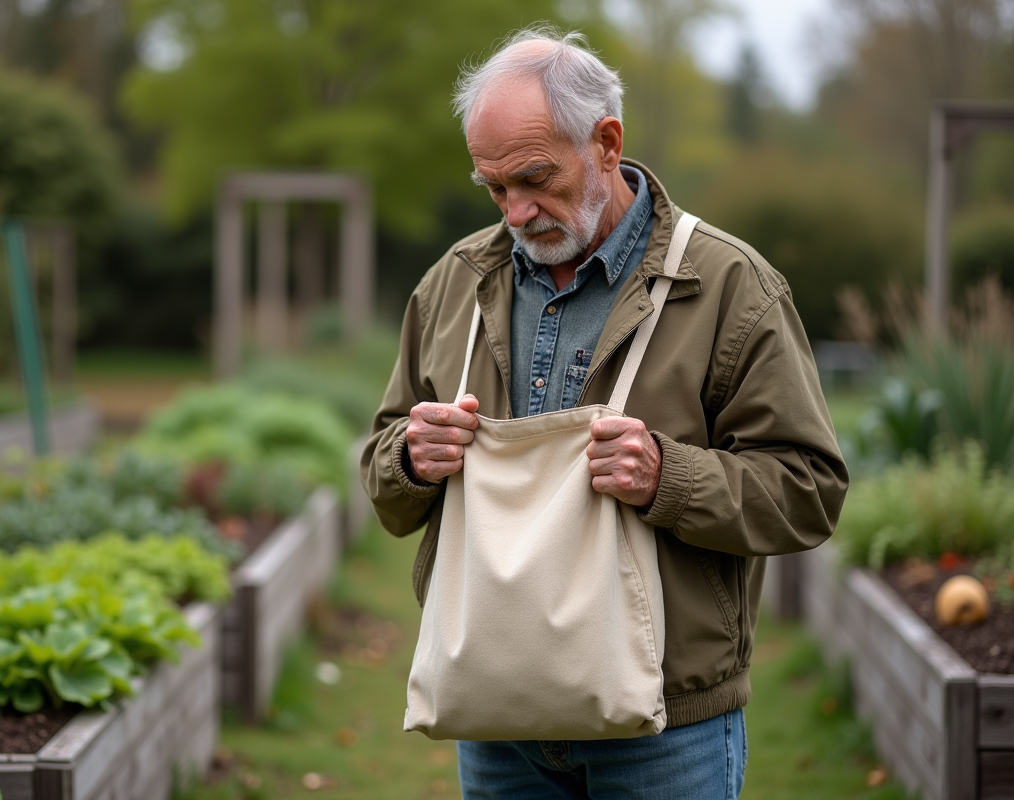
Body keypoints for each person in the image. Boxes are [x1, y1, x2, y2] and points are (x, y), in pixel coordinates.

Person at [360, 26, 848, 800]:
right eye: (494, 188)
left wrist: (669, 477)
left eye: (534, 178)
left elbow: (810, 490)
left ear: (607, 141)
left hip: (666, 724)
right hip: (495, 719)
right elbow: (384, 484)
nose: (516, 211)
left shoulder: (728, 286)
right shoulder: (452, 284)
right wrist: (410, 458)